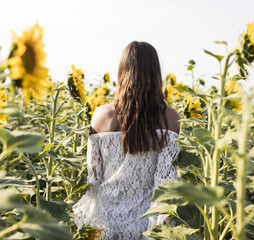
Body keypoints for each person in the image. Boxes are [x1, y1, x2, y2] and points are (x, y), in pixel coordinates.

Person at [73, 41, 180, 240]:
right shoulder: (170, 118)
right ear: (156, 73)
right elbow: (164, 183)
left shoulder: (100, 115)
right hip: (146, 225)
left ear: (122, 71)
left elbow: (94, 179)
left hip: (103, 223)